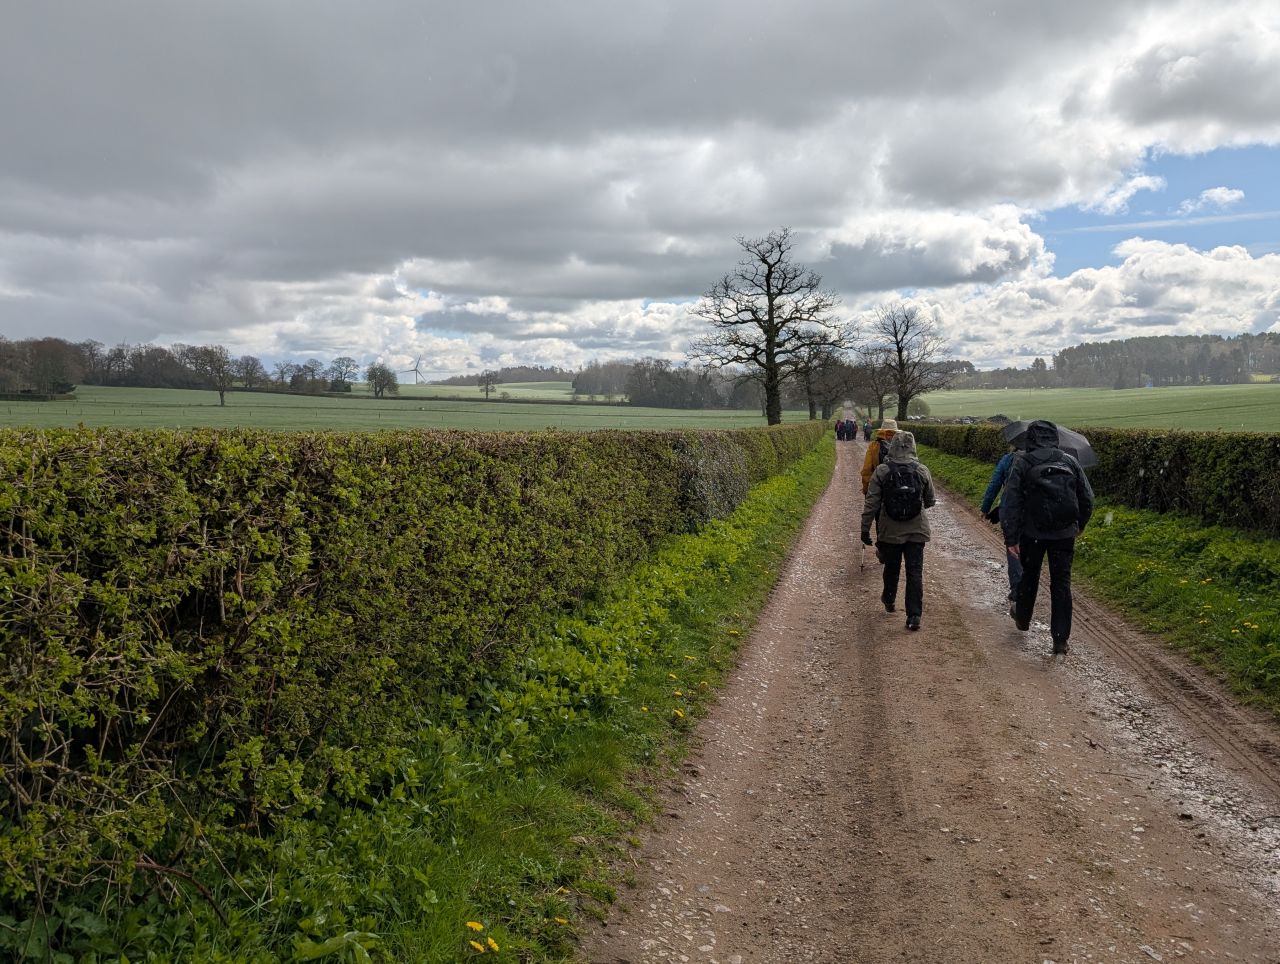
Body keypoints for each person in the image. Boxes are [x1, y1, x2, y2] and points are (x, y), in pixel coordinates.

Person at [1001, 420, 1095, 656]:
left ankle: (1022, 618)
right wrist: (1079, 524)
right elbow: (1088, 498)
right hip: (1064, 533)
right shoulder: (1069, 461)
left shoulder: (1023, 462)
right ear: (1055, 438)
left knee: (1029, 577)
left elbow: (1010, 502)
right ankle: (1060, 639)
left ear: (1030, 438)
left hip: (1032, 533)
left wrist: (1011, 537)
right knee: (1061, 584)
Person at [861, 431, 935, 630]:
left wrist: (865, 529)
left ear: (891, 446)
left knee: (892, 568)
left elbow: (871, 503)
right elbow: (930, 500)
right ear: (913, 447)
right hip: (917, 530)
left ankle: (889, 599)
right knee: (914, 572)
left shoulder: (883, 471)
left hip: (890, 531)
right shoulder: (921, 470)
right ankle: (914, 615)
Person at [980, 442, 1023, 616]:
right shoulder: (1043, 460)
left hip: (1011, 511)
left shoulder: (1008, 459)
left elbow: (995, 483)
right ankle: (1028, 590)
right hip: (1036, 514)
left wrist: (985, 507)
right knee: (1031, 551)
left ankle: (1017, 593)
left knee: (1013, 550)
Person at [860, 418, 898, 495]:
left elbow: (867, 470)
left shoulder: (874, 446)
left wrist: (866, 490)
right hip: (899, 488)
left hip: (879, 487)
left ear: (882, 431)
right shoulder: (903, 446)